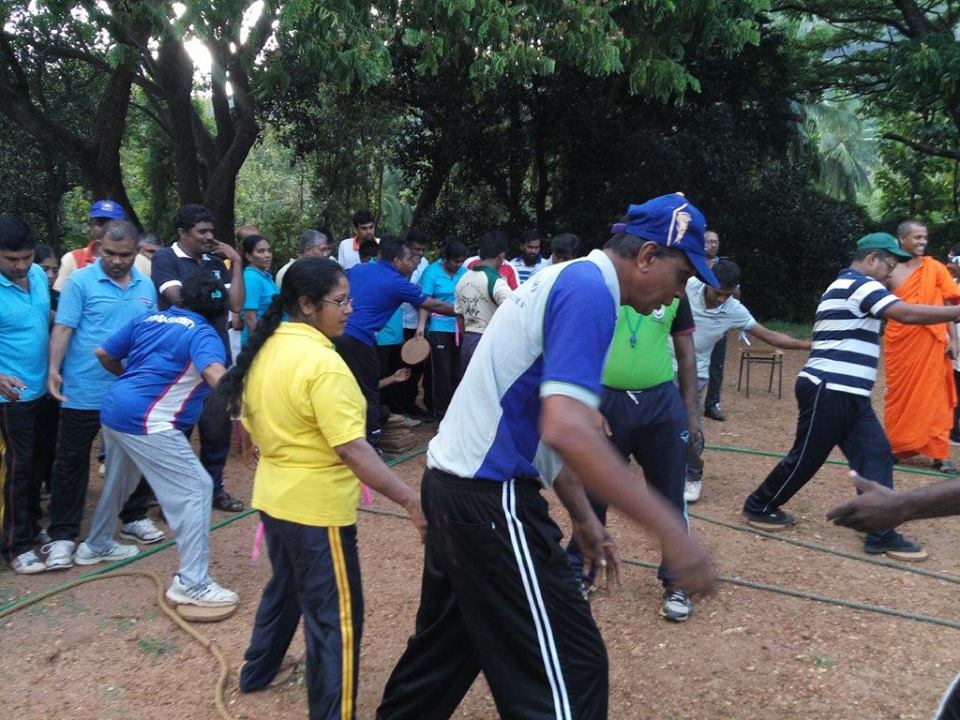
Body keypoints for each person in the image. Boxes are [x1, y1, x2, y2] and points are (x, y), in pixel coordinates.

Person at [376, 194, 716, 720]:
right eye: (682, 275)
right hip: (491, 499)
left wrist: (583, 516)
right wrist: (671, 530)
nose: (678, 293)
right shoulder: (590, 291)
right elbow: (568, 429)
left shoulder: (567, 279)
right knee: (571, 669)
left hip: (451, 487)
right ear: (648, 256)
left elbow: (542, 421)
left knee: (443, 653)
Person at [216, 257, 425, 720]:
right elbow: (352, 449)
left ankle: (258, 670)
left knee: (287, 587)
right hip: (317, 512)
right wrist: (411, 499)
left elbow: (247, 418)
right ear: (307, 305)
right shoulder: (323, 365)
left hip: (274, 498)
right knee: (337, 620)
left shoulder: (266, 347)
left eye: (350, 299)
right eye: (340, 301)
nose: (350, 309)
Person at [742, 233, 960, 560]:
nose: (891, 274)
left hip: (849, 392)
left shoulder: (848, 285)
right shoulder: (860, 285)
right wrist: (954, 313)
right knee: (807, 457)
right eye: (890, 265)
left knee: (876, 453)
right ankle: (759, 505)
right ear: (872, 259)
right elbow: (905, 314)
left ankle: (879, 531)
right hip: (830, 386)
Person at [76, 275, 238, 610]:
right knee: (197, 488)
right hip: (148, 420)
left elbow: (103, 352)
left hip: (115, 409)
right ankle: (193, 583)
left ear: (183, 298)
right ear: (221, 313)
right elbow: (214, 374)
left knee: (120, 480)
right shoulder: (204, 333)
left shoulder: (149, 318)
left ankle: (97, 544)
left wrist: (130, 381)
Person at [566, 289, 702, 622]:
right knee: (592, 491)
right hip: (606, 403)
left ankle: (677, 581)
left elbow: (686, 353)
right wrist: (587, 403)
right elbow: (577, 347)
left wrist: (691, 414)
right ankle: (579, 572)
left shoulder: (675, 294)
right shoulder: (604, 290)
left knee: (669, 494)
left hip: (661, 404)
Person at [42, 220, 162, 570]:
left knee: (135, 456)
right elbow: (64, 328)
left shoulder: (145, 285)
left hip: (129, 390)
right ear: (98, 248)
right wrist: (54, 369)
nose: (117, 261)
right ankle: (63, 535)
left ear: (136, 252)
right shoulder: (80, 282)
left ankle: (133, 516)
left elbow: (150, 333)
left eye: (125, 255)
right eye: (110, 253)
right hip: (84, 387)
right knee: (72, 461)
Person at [677, 258, 811, 503]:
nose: (721, 299)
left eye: (727, 294)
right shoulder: (687, 286)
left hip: (696, 373)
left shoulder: (733, 310)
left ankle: (692, 475)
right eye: (717, 292)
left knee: (690, 424)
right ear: (707, 282)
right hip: (661, 366)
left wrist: (808, 345)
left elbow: (770, 336)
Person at [151, 204, 246, 512]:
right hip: (180, 363)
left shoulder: (217, 263)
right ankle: (171, 499)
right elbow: (180, 300)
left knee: (216, 430)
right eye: (201, 231)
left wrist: (237, 261)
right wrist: (216, 298)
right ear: (182, 232)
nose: (209, 237)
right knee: (178, 432)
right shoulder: (165, 258)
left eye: (211, 231)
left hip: (216, 359)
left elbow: (235, 305)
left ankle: (213, 489)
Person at [334, 238, 453, 447]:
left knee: (345, 384)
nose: (412, 263)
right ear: (396, 260)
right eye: (408, 259)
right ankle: (372, 441)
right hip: (359, 338)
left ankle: (343, 433)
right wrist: (463, 311)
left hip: (336, 332)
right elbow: (433, 304)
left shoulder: (359, 269)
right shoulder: (398, 283)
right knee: (369, 392)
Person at [884, 219, 960, 473]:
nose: (923, 242)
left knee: (936, 396)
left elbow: (947, 304)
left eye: (925, 237)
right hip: (901, 342)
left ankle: (939, 454)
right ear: (902, 239)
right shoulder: (889, 270)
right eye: (917, 237)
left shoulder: (934, 268)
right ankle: (897, 446)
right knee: (899, 395)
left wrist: (954, 340)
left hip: (933, 341)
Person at [0, 217, 51, 574]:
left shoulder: (37, 276)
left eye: (26, 257)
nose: (20, 266)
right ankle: (15, 545)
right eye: (11, 259)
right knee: (17, 468)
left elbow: (44, 318)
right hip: (11, 397)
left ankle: (32, 526)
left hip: (44, 389)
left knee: (39, 463)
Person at [417, 238, 468, 419]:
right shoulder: (432, 272)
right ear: (446, 258)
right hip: (439, 328)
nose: (458, 264)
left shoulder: (464, 273)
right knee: (442, 373)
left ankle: (456, 413)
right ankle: (440, 414)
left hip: (460, 327)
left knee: (457, 371)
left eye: (461, 261)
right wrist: (421, 326)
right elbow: (424, 301)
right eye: (455, 261)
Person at [53, 200, 150, 292]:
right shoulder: (73, 259)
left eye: (113, 224)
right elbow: (60, 296)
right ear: (91, 224)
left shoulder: (142, 262)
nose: (105, 228)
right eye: (100, 223)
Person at [454, 231, 512, 372]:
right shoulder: (496, 282)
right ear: (501, 256)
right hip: (489, 343)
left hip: (468, 342)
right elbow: (514, 311)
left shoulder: (463, 279)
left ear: (480, 253)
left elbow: (459, 316)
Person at [396, 230, 433, 417]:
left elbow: (424, 295)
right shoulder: (397, 260)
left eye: (422, 250)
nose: (419, 253)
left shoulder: (425, 264)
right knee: (395, 364)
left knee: (416, 365)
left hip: (415, 322)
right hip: (394, 322)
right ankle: (396, 407)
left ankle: (410, 404)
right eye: (416, 249)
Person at [701, 230, 728, 421]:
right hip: (696, 321)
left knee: (716, 365)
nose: (713, 245)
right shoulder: (694, 263)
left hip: (719, 322)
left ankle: (712, 404)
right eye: (709, 241)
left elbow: (735, 293)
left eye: (716, 242)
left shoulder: (724, 266)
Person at [240, 234, 279, 345]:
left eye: (269, 251)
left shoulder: (264, 276)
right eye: (261, 251)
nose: (267, 255)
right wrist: (258, 345)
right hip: (259, 342)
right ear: (249, 256)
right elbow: (250, 317)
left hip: (270, 338)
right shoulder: (251, 278)